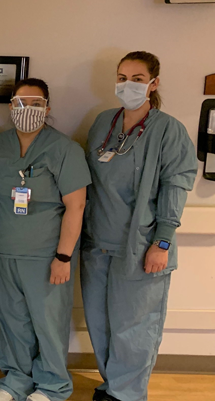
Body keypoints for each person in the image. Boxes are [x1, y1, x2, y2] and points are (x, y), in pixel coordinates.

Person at [81, 51, 197, 401]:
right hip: (97, 241)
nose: (126, 85)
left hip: (142, 244)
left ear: (153, 83)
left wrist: (162, 243)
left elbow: (175, 186)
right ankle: (112, 384)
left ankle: (127, 393)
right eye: (121, 77)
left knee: (135, 326)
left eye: (136, 78)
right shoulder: (103, 123)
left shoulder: (168, 130)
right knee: (100, 323)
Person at [0, 79, 91, 401]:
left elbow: (76, 206)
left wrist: (64, 257)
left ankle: (53, 386)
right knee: (12, 321)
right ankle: (15, 382)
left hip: (46, 255)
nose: (28, 109)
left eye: (36, 103)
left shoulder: (65, 150)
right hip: (4, 251)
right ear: (11, 107)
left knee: (48, 323)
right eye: (20, 103)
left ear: (48, 108)